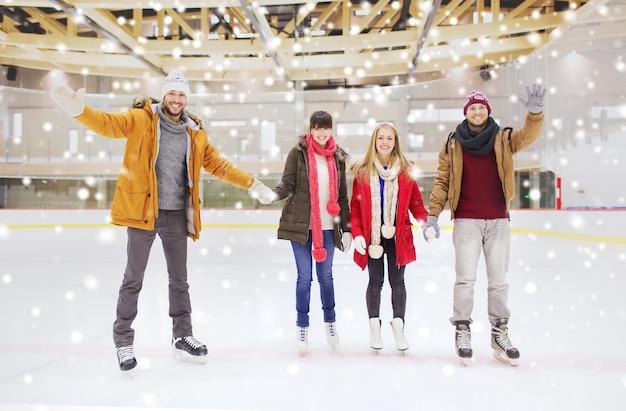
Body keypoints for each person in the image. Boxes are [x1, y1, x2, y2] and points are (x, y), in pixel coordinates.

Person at [49, 69, 275, 371]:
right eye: (173, 93)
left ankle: (183, 336)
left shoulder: (195, 133)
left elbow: (219, 166)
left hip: (176, 216)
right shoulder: (141, 119)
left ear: (187, 98)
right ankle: (123, 341)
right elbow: (108, 124)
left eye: (182, 94)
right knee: (133, 279)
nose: (177, 99)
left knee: (179, 281)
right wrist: (79, 111)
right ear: (164, 94)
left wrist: (252, 184)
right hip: (144, 213)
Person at [423, 84, 546, 366]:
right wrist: (433, 214)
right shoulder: (453, 143)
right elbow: (442, 181)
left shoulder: (503, 137)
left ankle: (499, 333)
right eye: (472, 108)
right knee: (465, 280)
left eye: (481, 108)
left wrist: (535, 114)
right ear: (466, 113)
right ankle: (463, 329)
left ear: (487, 111)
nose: (477, 112)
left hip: (498, 220)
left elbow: (528, 136)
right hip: (466, 219)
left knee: (499, 282)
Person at [270, 111, 352, 354]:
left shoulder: (338, 157)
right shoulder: (298, 154)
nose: (322, 133)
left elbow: (343, 196)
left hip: (328, 229)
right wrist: (273, 194)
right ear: (311, 129)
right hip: (301, 228)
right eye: (317, 128)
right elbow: (288, 184)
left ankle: (330, 322)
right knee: (304, 277)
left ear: (331, 129)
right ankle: (302, 325)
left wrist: (346, 229)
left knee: (326, 277)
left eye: (326, 128)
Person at [350, 123, 428, 352]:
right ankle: (375, 328)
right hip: (372, 237)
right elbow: (355, 207)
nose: (385, 142)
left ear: (396, 142)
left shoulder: (406, 170)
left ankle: (399, 327)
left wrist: (425, 223)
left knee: (398, 282)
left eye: (389, 138)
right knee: (375, 283)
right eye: (381, 138)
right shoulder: (363, 171)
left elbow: (415, 203)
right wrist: (356, 234)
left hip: (398, 236)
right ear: (374, 141)